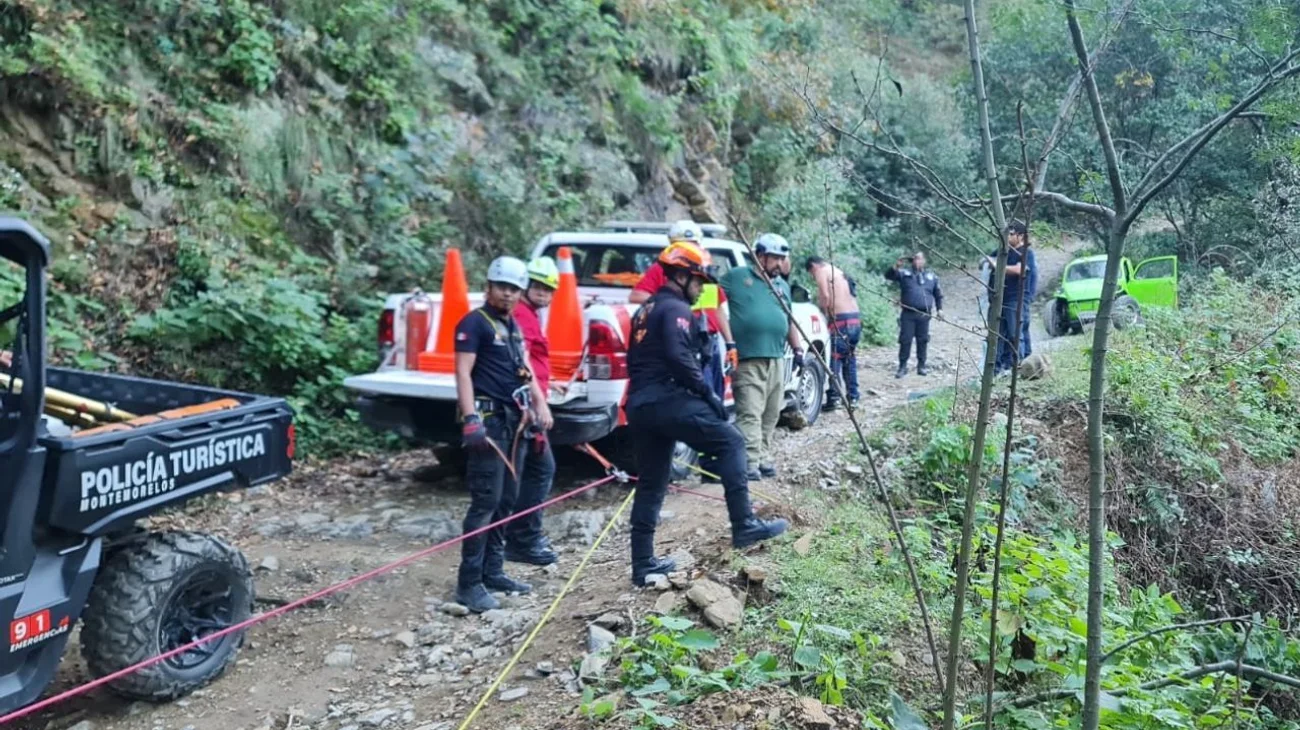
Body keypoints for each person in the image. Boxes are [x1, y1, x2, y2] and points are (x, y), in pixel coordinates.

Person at [625, 241, 788, 586]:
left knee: (653, 482)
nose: (702, 289)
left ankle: (642, 564)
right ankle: (744, 525)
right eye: (698, 282)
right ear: (682, 276)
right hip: (669, 397)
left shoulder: (646, 309)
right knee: (731, 441)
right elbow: (678, 357)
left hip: (640, 404)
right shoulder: (676, 310)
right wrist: (707, 394)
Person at [453, 256, 554, 613]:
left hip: (515, 421)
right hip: (489, 423)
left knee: (508, 498)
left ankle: (493, 570)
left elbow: (524, 370)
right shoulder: (474, 324)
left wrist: (540, 405)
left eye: (514, 289)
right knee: (486, 500)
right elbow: (463, 374)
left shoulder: (511, 326)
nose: (509, 295)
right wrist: (470, 419)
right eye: (503, 288)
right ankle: (469, 583)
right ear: (489, 287)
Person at [631, 220, 737, 481]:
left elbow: (715, 308)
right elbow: (638, 297)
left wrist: (731, 343)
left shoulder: (700, 273)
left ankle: (711, 470)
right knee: (696, 404)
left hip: (705, 343)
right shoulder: (666, 272)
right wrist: (673, 309)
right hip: (680, 344)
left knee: (712, 405)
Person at [720, 233, 802, 480]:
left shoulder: (782, 287)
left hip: (776, 357)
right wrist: (728, 339)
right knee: (750, 412)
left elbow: (789, 320)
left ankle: (764, 456)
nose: (779, 264)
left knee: (771, 411)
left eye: (782, 259)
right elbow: (709, 300)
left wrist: (797, 349)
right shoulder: (737, 277)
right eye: (775, 258)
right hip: (748, 359)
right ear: (760, 256)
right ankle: (749, 462)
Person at [503, 257, 561, 567]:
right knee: (538, 471)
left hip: (526, 404)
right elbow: (520, 366)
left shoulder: (529, 315)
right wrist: (537, 403)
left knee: (531, 472)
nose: (543, 292)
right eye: (537, 286)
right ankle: (522, 540)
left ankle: (520, 538)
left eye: (548, 288)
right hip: (522, 408)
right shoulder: (522, 317)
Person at [804, 256, 860, 409]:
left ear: (813, 266)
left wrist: (823, 314)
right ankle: (853, 397)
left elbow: (825, 296)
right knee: (849, 358)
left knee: (834, 359)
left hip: (840, 321)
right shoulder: (838, 272)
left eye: (811, 273)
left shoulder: (822, 271)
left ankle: (834, 397)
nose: (813, 277)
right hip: (854, 320)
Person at [987, 221, 1037, 376]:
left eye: (1011, 234)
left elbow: (1020, 270)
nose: (1007, 237)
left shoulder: (1026, 253)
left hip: (1017, 298)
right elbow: (988, 258)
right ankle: (997, 369)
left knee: (1016, 333)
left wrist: (999, 266)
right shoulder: (1004, 251)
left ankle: (1020, 368)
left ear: (1020, 236)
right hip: (1000, 298)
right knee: (999, 335)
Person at [885, 251, 943, 379]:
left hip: (924, 314)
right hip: (908, 314)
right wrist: (896, 266)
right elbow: (889, 276)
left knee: (923, 340)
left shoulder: (931, 276)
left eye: (920, 259)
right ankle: (902, 366)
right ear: (912, 261)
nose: (917, 261)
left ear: (924, 261)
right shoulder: (905, 274)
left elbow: (938, 294)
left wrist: (940, 309)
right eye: (915, 259)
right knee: (905, 340)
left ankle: (921, 365)